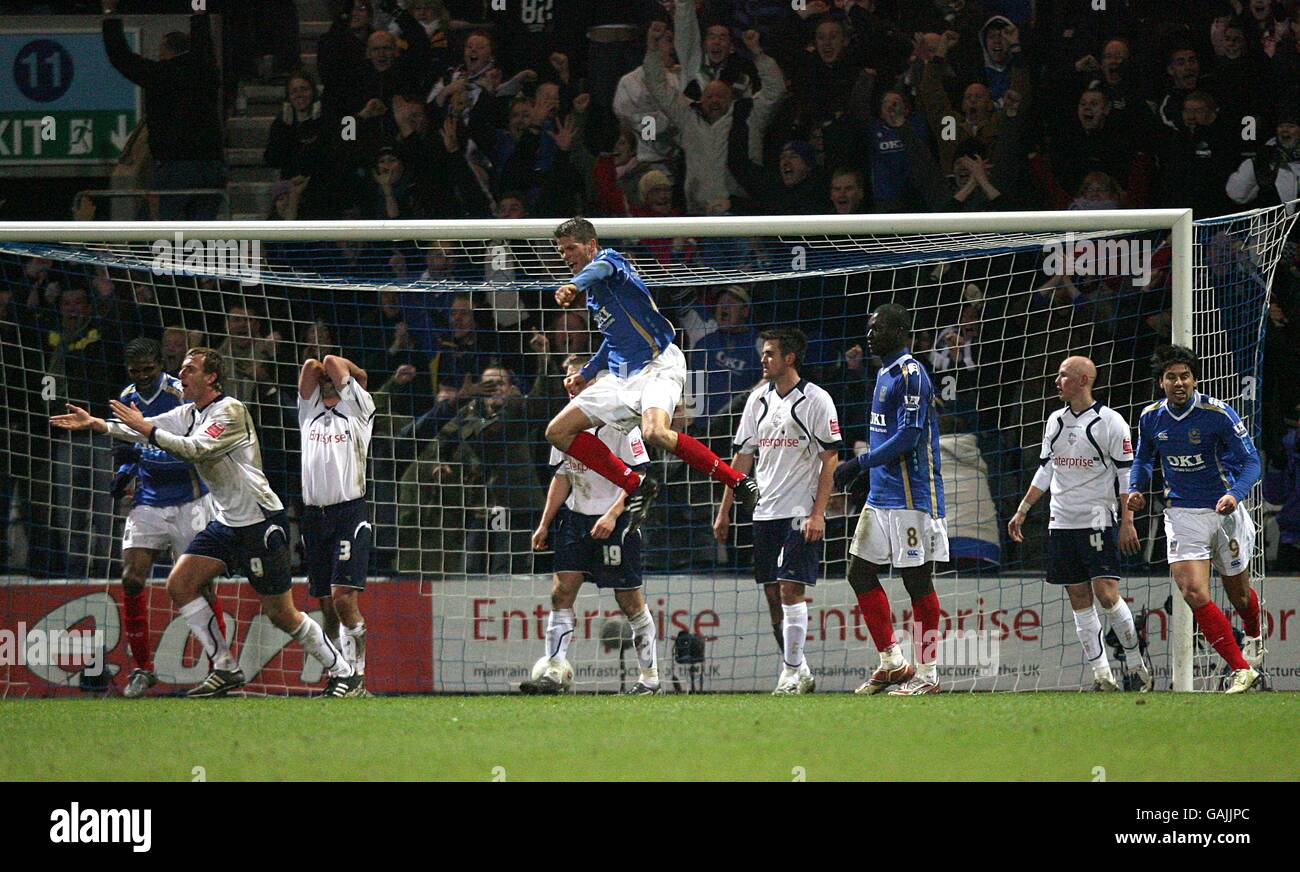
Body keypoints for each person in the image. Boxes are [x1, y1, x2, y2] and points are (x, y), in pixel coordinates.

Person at [50, 347, 360, 699]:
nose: (181, 375)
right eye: (181, 369)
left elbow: (194, 449)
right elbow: (143, 430)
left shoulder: (230, 411)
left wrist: (147, 430)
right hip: (227, 523)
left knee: (281, 614)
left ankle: (344, 672)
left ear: (211, 377)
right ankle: (225, 668)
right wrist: (98, 424)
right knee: (180, 584)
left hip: (259, 522)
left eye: (189, 369)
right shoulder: (190, 413)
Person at [545, 218, 760, 537]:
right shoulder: (594, 297)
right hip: (621, 377)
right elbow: (613, 337)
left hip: (658, 364)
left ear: (591, 245)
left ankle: (738, 482)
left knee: (655, 432)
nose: (566, 255)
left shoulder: (611, 261)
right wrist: (587, 373)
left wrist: (574, 285)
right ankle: (637, 484)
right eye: (561, 251)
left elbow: (597, 270)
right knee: (558, 432)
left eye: (571, 248)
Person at [1006, 356, 1153, 692]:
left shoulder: (1111, 422)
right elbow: (1046, 469)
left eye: (1063, 376)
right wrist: (1023, 509)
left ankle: (1135, 664)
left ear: (1084, 379)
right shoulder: (1054, 420)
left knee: (1106, 594)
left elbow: (1125, 474)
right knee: (1077, 596)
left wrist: (1127, 521)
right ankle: (1102, 675)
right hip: (1061, 521)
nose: (1057, 382)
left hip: (1098, 518)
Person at [1126, 345, 1264, 694]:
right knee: (1193, 590)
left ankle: (1254, 634)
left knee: (1241, 598)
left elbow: (1252, 463)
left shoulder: (1217, 414)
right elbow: (1143, 458)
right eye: (1171, 377)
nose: (1179, 382)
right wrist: (1137, 487)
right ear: (1161, 382)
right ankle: (1241, 669)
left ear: (1194, 379)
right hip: (1182, 513)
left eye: (1184, 376)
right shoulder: (1150, 418)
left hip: (1224, 512)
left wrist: (1235, 494)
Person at [713, 328, 840, 695]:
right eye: (763, 353)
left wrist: (818, 514)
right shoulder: (757, 401)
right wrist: (724, 511)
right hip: (763, 512)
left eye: (770, 354)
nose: (763, 359)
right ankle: (799, 669)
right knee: (772, 597)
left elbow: (830, 458)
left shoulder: (816, 400)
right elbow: (741, 459)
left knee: (789, 590)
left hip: (799, 512)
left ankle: (788, 674)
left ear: (789, 358)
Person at [832, 304, 950, 695]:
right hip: (882, 496)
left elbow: (909, 437)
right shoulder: (883, 371)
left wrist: (859, 463)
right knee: (858, 572)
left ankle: (928, 674)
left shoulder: (911, 373)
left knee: (917, 581)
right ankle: (893, 663)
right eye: (869, 326)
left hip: (912, 495)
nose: (870, 334)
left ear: (900, 331)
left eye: (877, 328)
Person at [523, 355, 658, 695]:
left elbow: (641, 476)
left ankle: (650, 679)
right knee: (561, 591)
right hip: (575, 519)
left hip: (617, 522)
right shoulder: (565, 427)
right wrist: (544, 523)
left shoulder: (622, 424)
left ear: (597, 384)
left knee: (629, 601)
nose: (573, 386)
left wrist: (613, 514)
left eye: (579, 380)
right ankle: (553, 670)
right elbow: (563, 475)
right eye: (568, 380)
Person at [111, 339, 228, 698]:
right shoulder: (126, 397)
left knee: (200, 586)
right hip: (148, 499)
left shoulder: (181, 393)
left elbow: (197, 444)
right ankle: (144, 669)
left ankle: (220, 668)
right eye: (136, 372)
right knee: (131, 579)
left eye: (149, 370)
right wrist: (124, 472)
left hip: (190, 500)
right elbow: (126, 448)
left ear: (160, 365)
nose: (143, 377)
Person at [102, 0, 225, 220]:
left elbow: (120, 56)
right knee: (200, 241)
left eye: (160, 50)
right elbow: (203, 36)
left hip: (175, 169)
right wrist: (199, 8)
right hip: (212, 168)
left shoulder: (159, 74)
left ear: (166, 51)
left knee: (148, 233)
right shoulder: (206, 69)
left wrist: (110, 13)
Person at [298, 354, 376, 695]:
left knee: (343, 599)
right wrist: (324, 374)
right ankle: (342, 675)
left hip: (348, 513)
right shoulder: (308, 412)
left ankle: (357, 674)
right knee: (328, 607)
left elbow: (329, 361)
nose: (327, 378)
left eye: (335, 379)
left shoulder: (358, 410)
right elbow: (313, 366)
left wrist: (356, 374)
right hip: (314, 517)